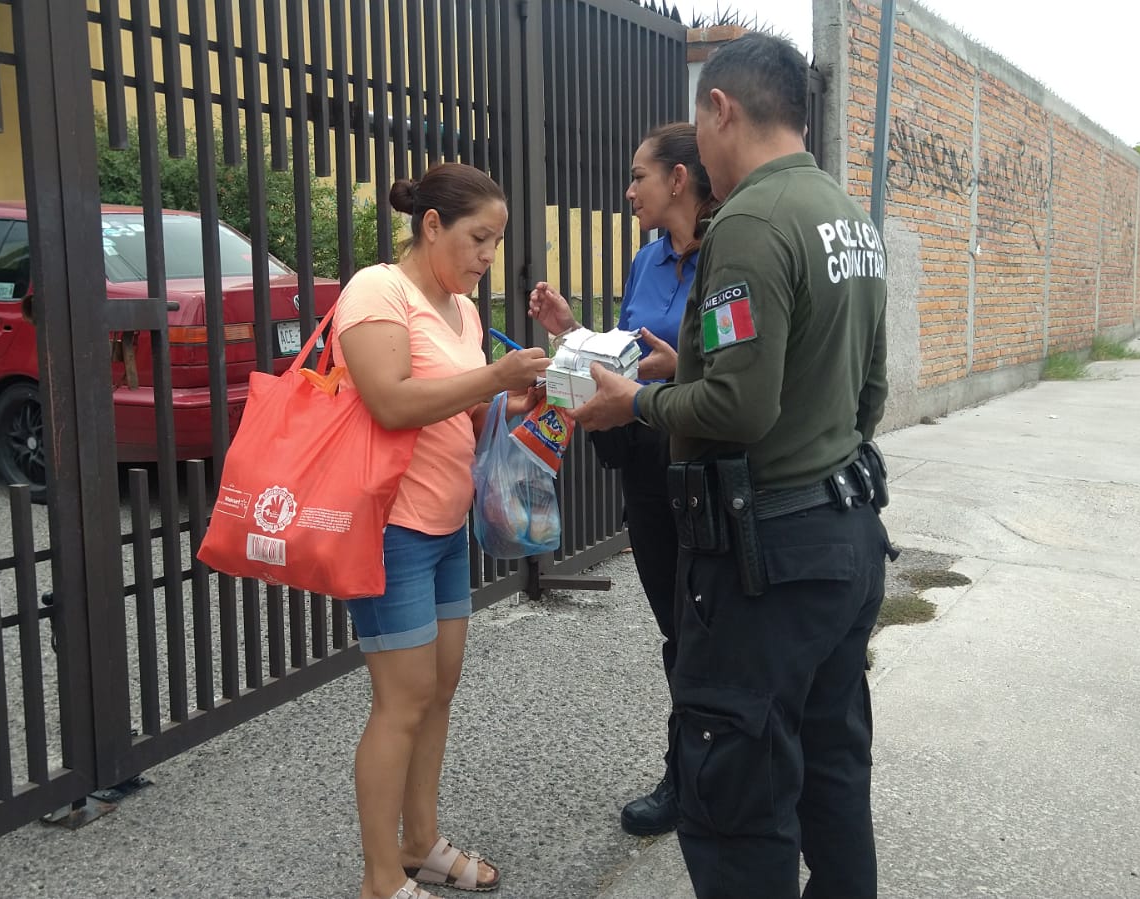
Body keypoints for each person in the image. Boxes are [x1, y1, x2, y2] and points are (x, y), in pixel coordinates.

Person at [571, 34, 895, 899]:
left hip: (765, 561)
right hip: (845, 532)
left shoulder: (750, 219)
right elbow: (865, 387)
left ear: (720, 110)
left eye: (699, 124)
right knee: (830, 769)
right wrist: (686, 364)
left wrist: (635, 404)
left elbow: (740, 409)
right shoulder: (844, 214)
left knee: (737, 795)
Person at [334, 162, 551, 899]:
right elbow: (392, 403)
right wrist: (493, 379)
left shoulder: (459, 309)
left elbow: (460, 410)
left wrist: (517, 404)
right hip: (391, 526)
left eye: (496, 242)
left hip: (444, 524)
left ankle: (419, 841)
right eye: (478, 238)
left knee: (438, 690)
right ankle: (379, 878)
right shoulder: (378, 292)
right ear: (432, 226)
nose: (488, 256)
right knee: (400, 702)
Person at [525, 122, 718, 837]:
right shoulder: (646, 259)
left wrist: (679, 368)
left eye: (639, 176)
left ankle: (717, 772)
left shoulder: (730, 254)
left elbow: (740, 372)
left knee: (713, 626)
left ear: (678, 179)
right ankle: (686, 773)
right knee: (675, 626)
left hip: (707, 463)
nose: (629, 191)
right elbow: (627, 355)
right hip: (646, 464)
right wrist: (571, 331)